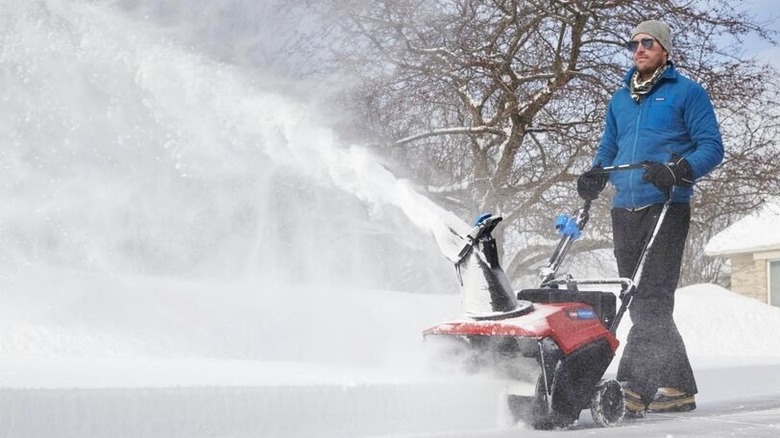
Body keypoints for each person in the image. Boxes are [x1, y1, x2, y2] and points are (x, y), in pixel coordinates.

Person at [577, 20, 724, 417]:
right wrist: (594, 173)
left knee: (652, 300)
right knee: (637, 298)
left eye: (647, 42)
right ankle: (678, 387)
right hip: (624, 208)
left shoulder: (688, 92)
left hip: (667, 205)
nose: (638, 48)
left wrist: (678, 170)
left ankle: (633, 387)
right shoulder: (620, 99)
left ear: (664, 48)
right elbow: (610, 145)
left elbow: (712, 146)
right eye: (634, 43)